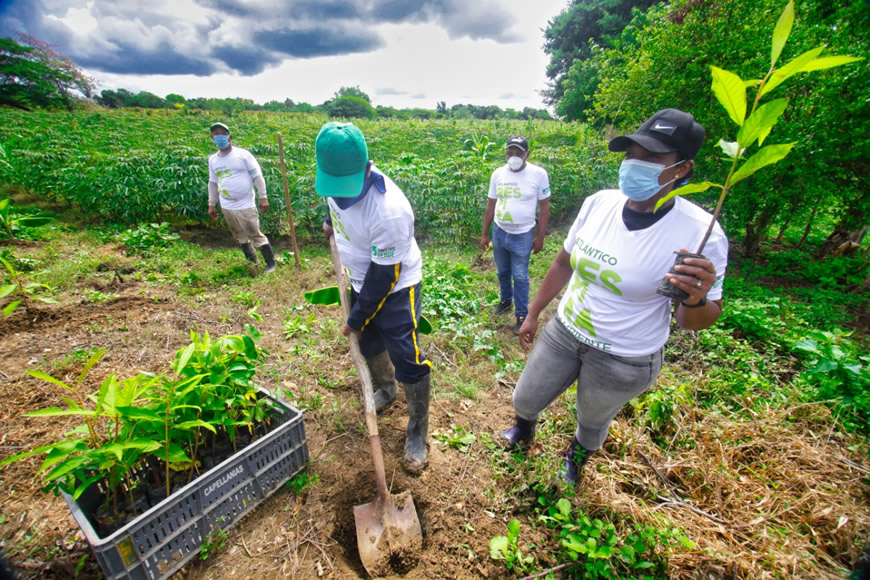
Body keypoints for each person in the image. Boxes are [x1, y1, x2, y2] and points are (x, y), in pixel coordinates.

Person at [499, 109, 728, 485]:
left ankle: (575, 459)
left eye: (652, 157)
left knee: (592, 418)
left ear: (682, 169)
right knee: (525, 397)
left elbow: (694, 321)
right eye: (631, 154)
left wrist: (694, 298)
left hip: (624, 355)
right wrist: (534, 312)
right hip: (566, 331)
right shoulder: (599, 204)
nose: (635, 164)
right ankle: (523, 429)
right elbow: (563, 262)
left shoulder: (701, 233)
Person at [315, 121, 432, 475]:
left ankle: (418, 430)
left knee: (406, 354)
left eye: (345, 188)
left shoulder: (389, 210)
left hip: (396, 287)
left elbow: (384, 278)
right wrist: (330, 221)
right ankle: (386, 387)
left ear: (366, 168)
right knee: (369, 343)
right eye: (333, 188)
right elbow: (335, 207)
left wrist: (355, 318)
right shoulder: (334, 180)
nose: (339, 196)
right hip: (360, 276)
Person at [481, 135, 551, 334]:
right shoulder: (498, 174)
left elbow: (544, 208)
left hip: (522, 234)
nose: (513, 157)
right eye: (509, 152)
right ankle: (505, 300)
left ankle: (521, 315)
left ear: (527, 154)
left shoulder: (538, 174)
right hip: (499, 231)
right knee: (502, 271)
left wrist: (540, 237)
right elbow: (491, 205)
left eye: (518, 153)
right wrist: (485, 234)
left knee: (520, 276)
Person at [207, 122, 276, 273]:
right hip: (226, 205)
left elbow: (258, 176)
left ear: (230, 137)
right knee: (239, 235)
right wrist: (211, 204)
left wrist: (263, 197)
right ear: (212, 138)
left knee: (254, 234)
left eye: (223, 133)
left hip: (245, 204)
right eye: (216, 134)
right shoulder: (213, 160)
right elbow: (213, 183)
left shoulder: (243, 155)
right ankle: (252, 261)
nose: (220, 136)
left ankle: (271, 264)